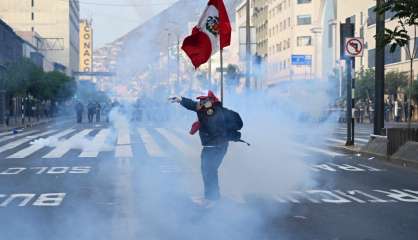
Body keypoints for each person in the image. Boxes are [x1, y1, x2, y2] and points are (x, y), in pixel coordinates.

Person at [169, 91, 235, 204]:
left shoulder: (213, 112)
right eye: (201, 101)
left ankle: (212, 198)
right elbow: (194, 105)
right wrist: (181, 99)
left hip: (215, 147)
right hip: (212, 147)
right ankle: (211, 196)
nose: (201, 103)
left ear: (211, 102)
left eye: (204, 101)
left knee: (209, 171)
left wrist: (200, 122)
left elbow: (208, 119)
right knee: (208, 171)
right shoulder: (207, 109)